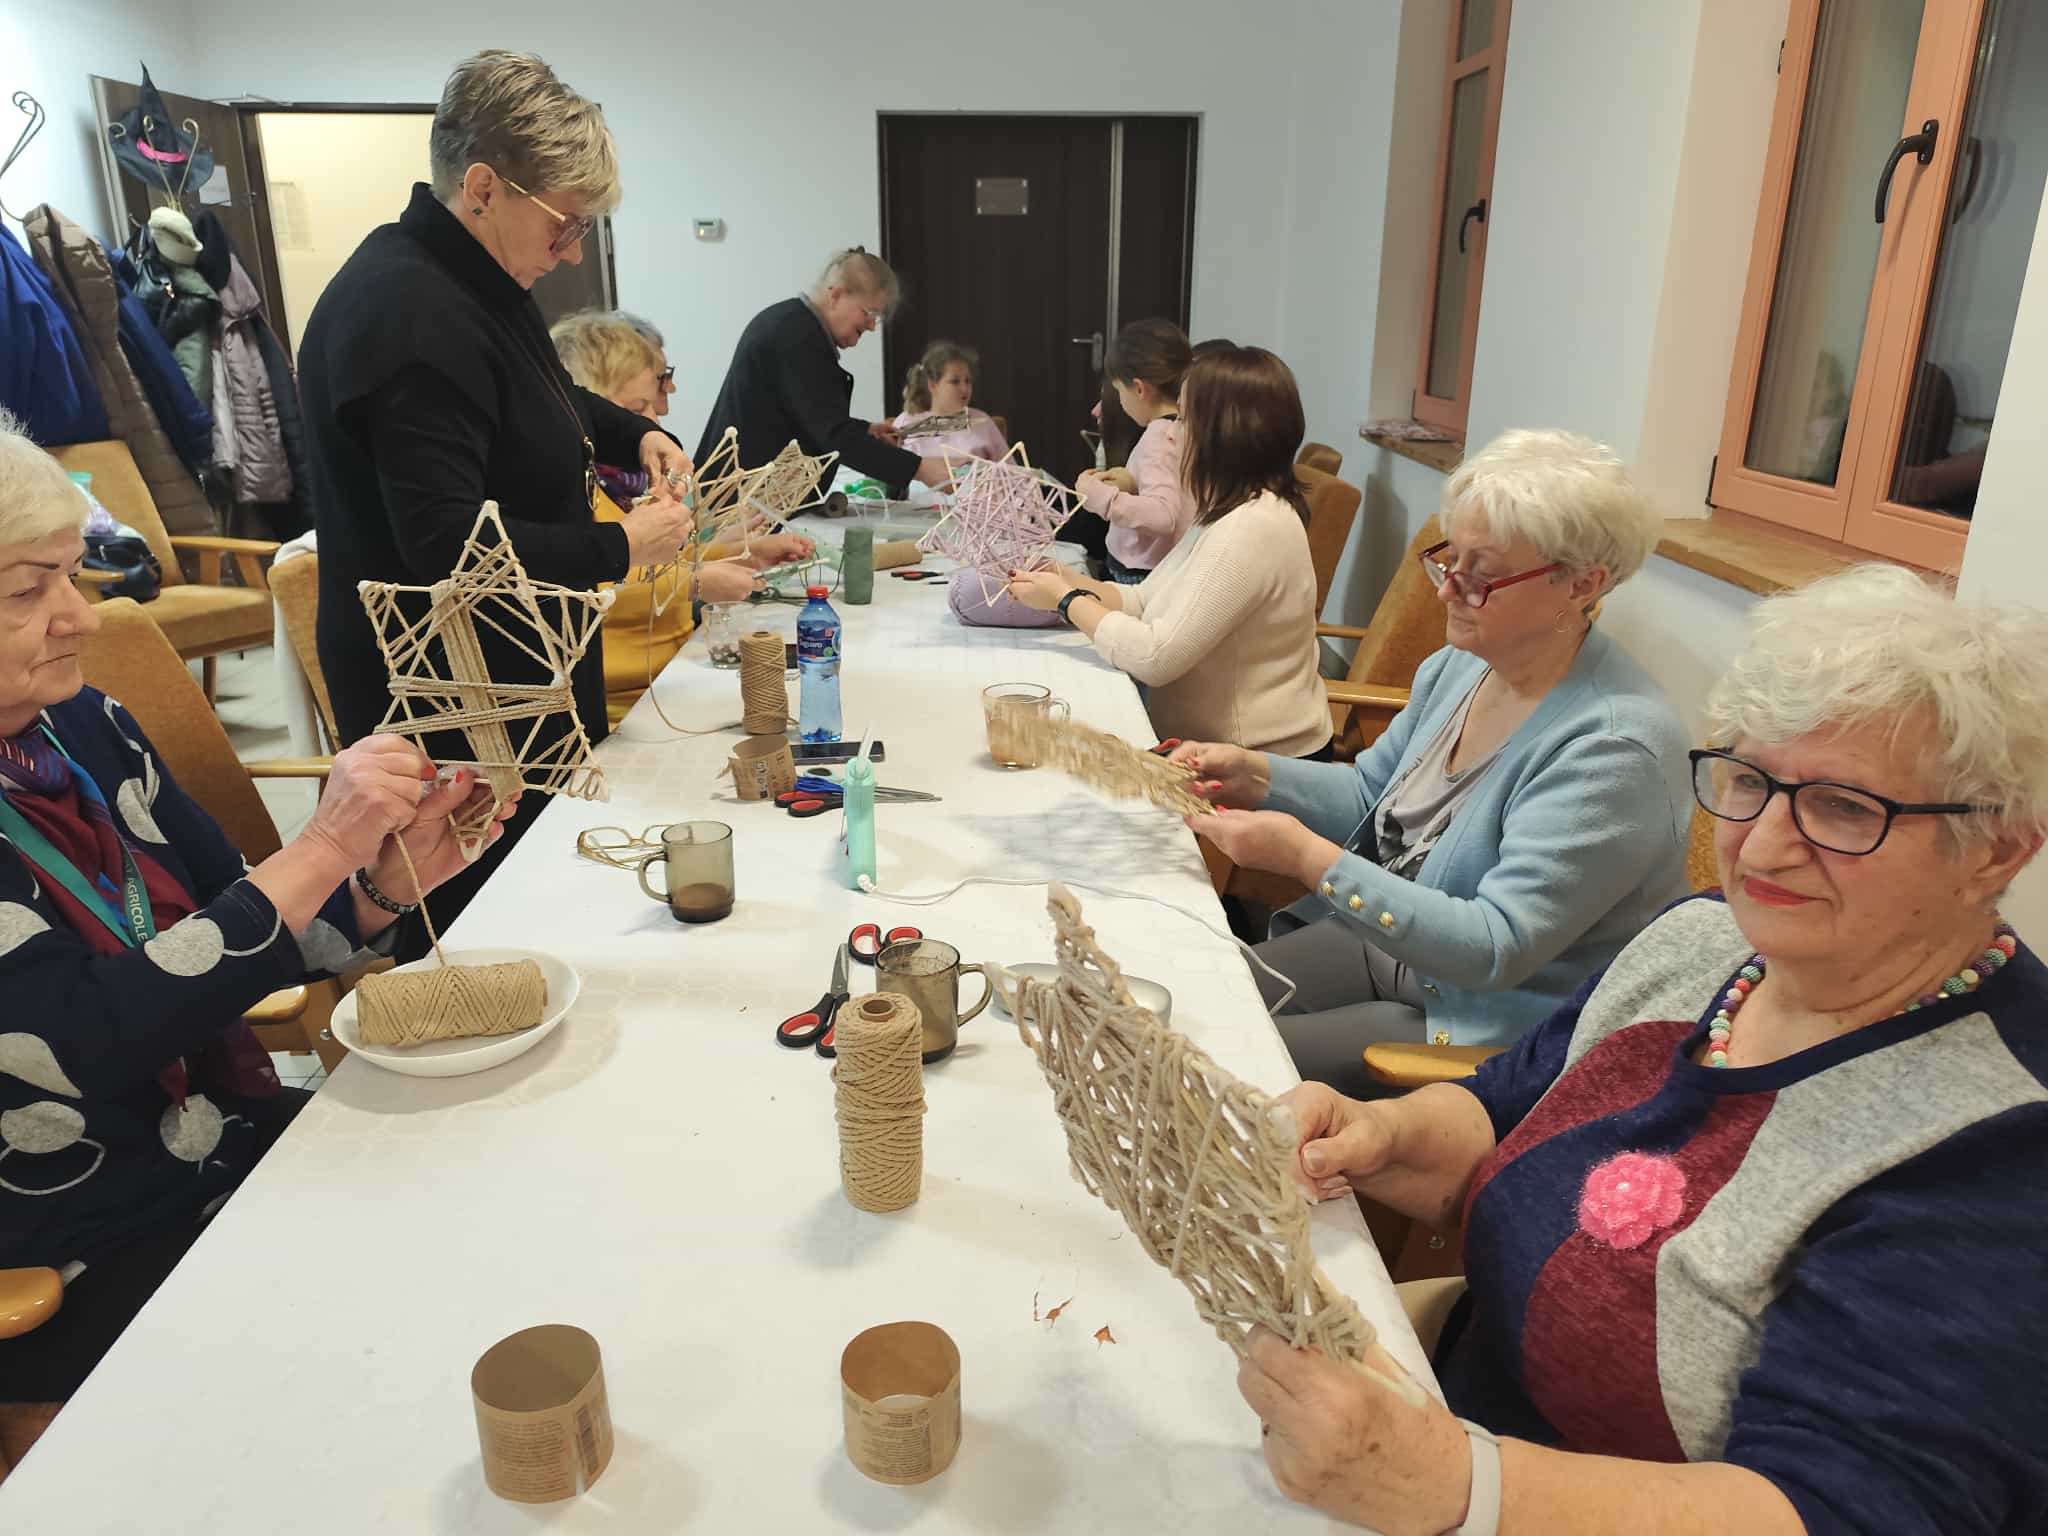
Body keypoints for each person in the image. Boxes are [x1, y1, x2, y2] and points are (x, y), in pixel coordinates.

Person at [1240, 564, 2048, 1536]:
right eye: (1748, 781)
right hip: (1454, 1397)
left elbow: (1845, 1507)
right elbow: (1509, 1101)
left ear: (1997, 849)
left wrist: (1457, 1486)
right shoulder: (1706, 938)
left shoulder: (2001, 1141)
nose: (1762, 848)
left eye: (1842, 807)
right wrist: (1381, 1135)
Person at [0, 412, 509, 1409]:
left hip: (221, 1138)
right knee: (418, 1342)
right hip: (77, 1244)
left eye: (70, 575)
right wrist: (320, 848)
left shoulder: (82, 725)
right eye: (29, 589)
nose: (82, 617)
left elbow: (234, 935)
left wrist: (379, 885)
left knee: (488, 1192)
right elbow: (76, 1043)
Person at [297, 50, 692, 938]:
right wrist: (624, 547)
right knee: (482, 942)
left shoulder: (470, 278)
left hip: (508, 679)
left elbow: (541, 395)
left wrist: (634, 433)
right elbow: (447, 546)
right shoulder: (409, 313)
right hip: (454, 702)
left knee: (545, 919)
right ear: (482, 188)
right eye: (564, 224)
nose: (573, 249)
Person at [1173, 429, 1689, 1079]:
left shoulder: (1613, 749)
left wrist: (1304, 857)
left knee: (1208, 1063)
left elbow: (1494, 948)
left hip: (1483, 1017)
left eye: (1483, 575)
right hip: (1398, 951)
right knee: (1186, 998)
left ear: (1581, 584)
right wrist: (1255, 774)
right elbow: (1374, 796)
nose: (1447, 590)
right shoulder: (1461, 667)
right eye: (1451, 560)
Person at [1006, 346, 1330, 759]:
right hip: (1210, 748)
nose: (1173, 434)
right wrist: (1066, 578)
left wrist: (1065, 600)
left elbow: (1155, 657)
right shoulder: (1227, 509)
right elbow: (1144, 599)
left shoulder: (1252, 527)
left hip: (1254, 761)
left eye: (1184, 419)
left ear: (1223, 435)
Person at [549, 311, 811, 726]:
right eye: (634, 409)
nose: (652, 422)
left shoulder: (632, 485)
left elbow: (661, 561)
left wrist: (743, 553)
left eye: (651, 406)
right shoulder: (571, 494)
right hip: (621, 713)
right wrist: (696, 582)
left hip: (674, 681)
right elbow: (594, 584)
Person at [695, 249, 951, 501]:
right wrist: (919, 468)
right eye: (869, 313)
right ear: (836, 295)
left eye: (878, 318)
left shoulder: (792, 324)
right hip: (734, 502)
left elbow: (809, 415)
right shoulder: (796, 337)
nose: (872, 326)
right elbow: (833, 435)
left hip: (742, 494)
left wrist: (864, 430)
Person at [1074, 319, 1195, 584]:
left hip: (1139, 574)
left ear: (1139, 389)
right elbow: (1174, 490)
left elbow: (1164, 515)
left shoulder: (1158, 438)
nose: (1119, 400)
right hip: (1170, 567)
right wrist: (1131, 481)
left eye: (1119, 391)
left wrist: (1102, 498)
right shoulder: (1186, 427)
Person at [892, 340, 1008, 461]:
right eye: (955, 382)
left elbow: (1010, 468)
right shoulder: (906, 422)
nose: (965, 389)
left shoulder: (982, 421)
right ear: (932, 385)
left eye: (968, 381)